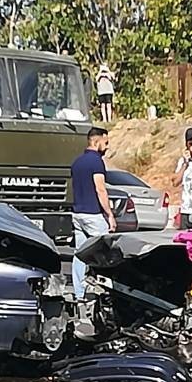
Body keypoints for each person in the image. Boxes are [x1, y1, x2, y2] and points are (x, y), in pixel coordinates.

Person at [70, 127, 117, 300]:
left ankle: (79, 292)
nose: (107, 147)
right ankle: (108, 291)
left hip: (77, 214)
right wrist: (109, 215)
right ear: (96, 142)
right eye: (105, 143)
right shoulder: (96, 162)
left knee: (80, 253)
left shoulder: (76, 162)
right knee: (105, 253)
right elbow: (100, 189)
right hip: (93, 214)